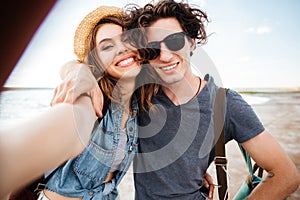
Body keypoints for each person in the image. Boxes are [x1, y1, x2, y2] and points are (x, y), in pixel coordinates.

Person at [51, 1, 300, 199]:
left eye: (174, 41)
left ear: (192, 42)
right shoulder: (140, 94)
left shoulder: (226, 103)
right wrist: (79, 72)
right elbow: (87, 64)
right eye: (153, 48)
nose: (165, 56)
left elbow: (286, 175)